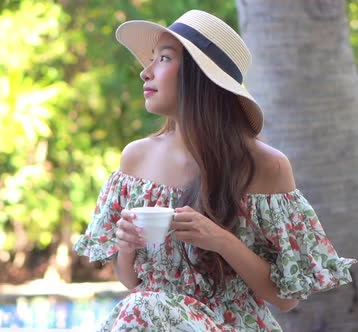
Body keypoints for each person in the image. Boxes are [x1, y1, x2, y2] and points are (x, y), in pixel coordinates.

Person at [73, 9, 356, 331]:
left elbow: (286, 298)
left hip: (233, 325)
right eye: (151, 60)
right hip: (153, 318)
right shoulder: (135, 159)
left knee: (141, 306)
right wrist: (126, 246)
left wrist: (221, 240)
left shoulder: (266, 165)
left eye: (163, 59)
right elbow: (133, 282)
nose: (145, 72)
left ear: (200, 76)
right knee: (142, 303)